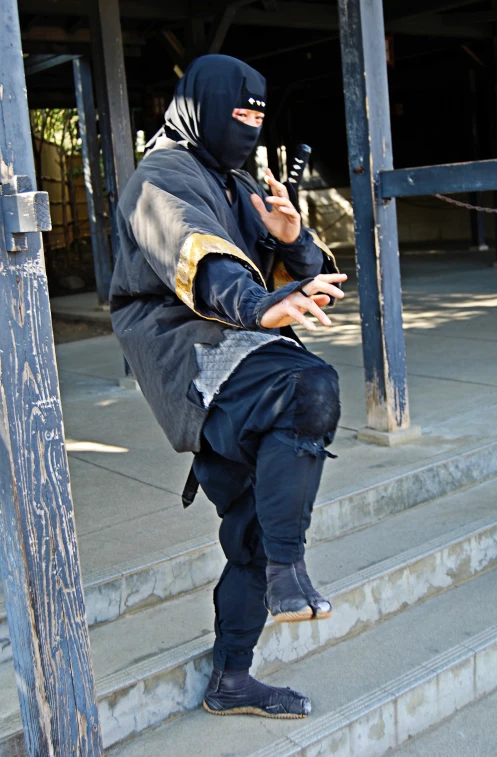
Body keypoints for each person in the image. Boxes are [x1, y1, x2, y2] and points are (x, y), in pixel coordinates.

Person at [109, 54, 347, 719]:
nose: (246, 129)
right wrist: (255, 305)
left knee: (246, 527)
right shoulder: (159, 178)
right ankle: (287, 565)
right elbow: (194, 251)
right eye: (235, 116)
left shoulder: (232, 178)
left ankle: (231, 677)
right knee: (307, 387)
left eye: (257, 119)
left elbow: (293, 271)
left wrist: (293, 240)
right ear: (199, 109)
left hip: (237, 350)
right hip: (190, 357)